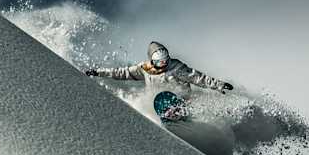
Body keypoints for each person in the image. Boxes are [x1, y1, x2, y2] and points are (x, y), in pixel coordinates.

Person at [85, 41, 234, 94]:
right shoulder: (144, 69)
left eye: (165, 61)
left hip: (182, 99)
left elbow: (198, 78)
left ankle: (180, 113)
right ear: (152, 61)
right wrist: (98, 72)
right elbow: (121, 73)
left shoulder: (176, 67)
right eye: (159, 62)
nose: (163, 65)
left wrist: (219, 85)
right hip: (159, 101)